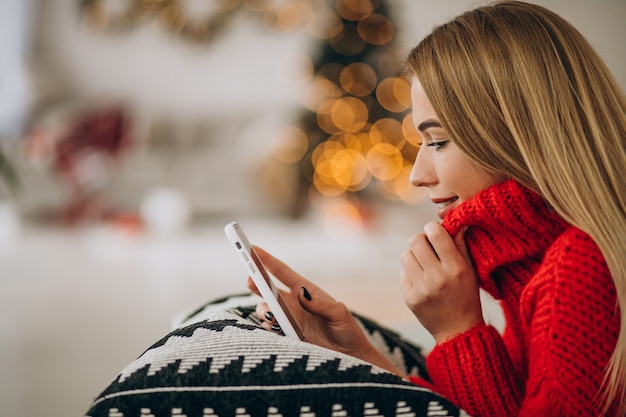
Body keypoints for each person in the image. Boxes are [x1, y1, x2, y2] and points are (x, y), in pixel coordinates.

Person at [249, 1, 626, 416]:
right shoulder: (539, 264)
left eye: (439, 141)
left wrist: (455, 329)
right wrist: (354, 348)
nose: (416, 175)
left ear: (517, 136)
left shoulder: (581, 266)